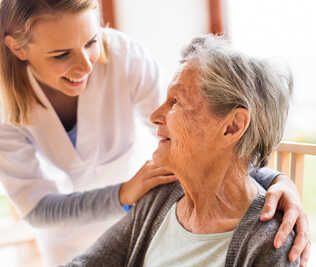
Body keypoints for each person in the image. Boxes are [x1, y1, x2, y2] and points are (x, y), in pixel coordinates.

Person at [0, 0, 309, 266]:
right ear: (17, 48)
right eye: (60, 55)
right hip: (75, 233)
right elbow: (38, 208)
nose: (85, 65)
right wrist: (123, 195)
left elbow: (208, 137)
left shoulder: (124, 57)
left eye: (92, 41)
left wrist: (276, 180)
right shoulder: (157, 205)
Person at [62, 34, 303, 267]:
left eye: (175, 102)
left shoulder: (272, 244)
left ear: (232, 127)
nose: (155, 116)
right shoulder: (160, 197)